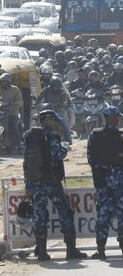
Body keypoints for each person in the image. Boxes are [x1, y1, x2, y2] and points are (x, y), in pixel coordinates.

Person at [23, 110, 88, 261]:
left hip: (36, 182)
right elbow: (57, 154)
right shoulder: (51, 136)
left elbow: (26, 162)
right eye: (55, 120)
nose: (56, 123)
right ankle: (71, 250)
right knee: (65, 212)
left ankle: (42, 252)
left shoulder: (30, 136)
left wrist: (28, 184)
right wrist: (66, 148)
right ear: (49, 120)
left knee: (40, 216)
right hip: (51, 181)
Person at [87, 106, 123, 260]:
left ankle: (101, 251)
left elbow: (90, 159)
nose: (118, 120)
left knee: (103, 215)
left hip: (102, 180)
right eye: (117, 117)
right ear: (114, 119)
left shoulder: (94, 135)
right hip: (120, 180)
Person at [36, 76, 73, 145]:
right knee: (39, 121)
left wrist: (63, 104)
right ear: (52, 85)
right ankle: (37, 138)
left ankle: (69, 139)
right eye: (55, 86)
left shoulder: (62, 92)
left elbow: (65, 101)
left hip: (58, 110)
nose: (56, 88)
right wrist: (37, 103)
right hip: (47, 109)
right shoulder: (46, 89)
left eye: (58, 86)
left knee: (64, 123)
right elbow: (39, 98)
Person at [1, 73, 23, 153]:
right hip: (1, 113)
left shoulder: (15, 90)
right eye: (2, 81)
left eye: (6, 82)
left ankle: (17, 146)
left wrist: (11, 103)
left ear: (9, 82)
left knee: (14, 126)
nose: (4, 83)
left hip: (12, 113)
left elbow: (20, 102)